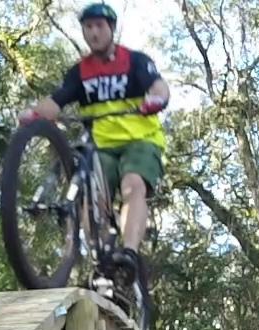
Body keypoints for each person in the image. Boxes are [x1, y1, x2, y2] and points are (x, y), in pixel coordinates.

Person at [17, 2, 169, 306]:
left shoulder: (135, 61)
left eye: (100, 26)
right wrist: (34, 114)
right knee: (87, 203)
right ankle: (104, 259)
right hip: (102, 147)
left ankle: (128, 252)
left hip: (140, 141)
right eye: (88, 27)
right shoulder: (80, 72)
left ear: (111, 29)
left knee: (133, 185)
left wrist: (156, 100)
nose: (94, 32)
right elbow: (57, 101)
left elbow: (159, 88)